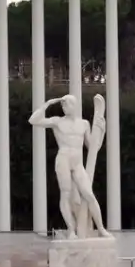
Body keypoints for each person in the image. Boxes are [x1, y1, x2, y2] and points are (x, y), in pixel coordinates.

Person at [29, 94, 109, 238]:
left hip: (77, 163)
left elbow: (92, 147)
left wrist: (102, 131)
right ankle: (71, 230)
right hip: (63, 160)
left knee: (89, 195)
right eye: (63, 105)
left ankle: (101, 228)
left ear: (75, 106)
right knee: (65, 194)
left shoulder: (84, 124)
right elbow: (33, 120)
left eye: (68, 104)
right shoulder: (57, 122)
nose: (64, 107)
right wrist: (47, 104)